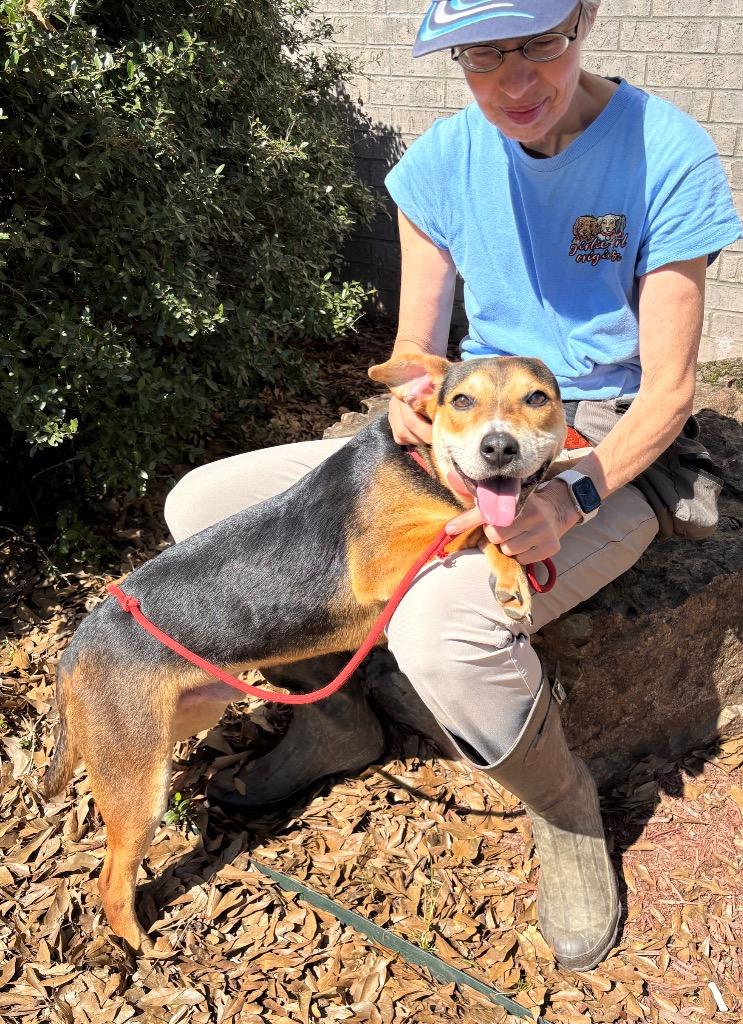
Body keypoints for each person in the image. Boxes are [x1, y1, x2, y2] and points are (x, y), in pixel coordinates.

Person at [163, 0, 742, 970]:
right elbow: (415, 347)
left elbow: (668, 391)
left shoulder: (664, 154)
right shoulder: (440, 161)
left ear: (585, 18)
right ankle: (332, 718)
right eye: (479, 54)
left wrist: (573, 498)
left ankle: (563, 809)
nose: (512, 80)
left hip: (595, 429)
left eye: (537, 43)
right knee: (201, 509)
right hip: (468, 417)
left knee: (443, 630)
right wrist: (413, 400)